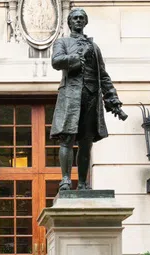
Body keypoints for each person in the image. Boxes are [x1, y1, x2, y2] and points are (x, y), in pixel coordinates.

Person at [50, 7, 125, 191]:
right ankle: (66, 179)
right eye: (74, 18)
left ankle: (83, 183)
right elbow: (56, 61)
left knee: (86, 142)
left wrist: (113, 99)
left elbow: (104, 75)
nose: (78, 20)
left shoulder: (94, 47)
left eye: (81, 18)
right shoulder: (63, 42)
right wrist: (77, 57)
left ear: (85, 22)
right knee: (67, 138)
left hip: (91, 97)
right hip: (71, 96)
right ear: (69, 22)